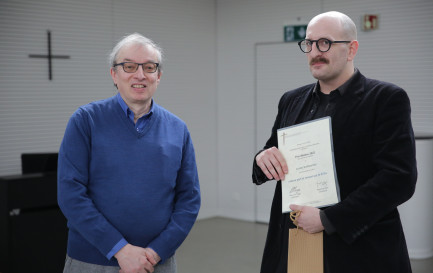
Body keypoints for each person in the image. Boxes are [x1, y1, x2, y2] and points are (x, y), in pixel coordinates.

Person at [252, 11, 417, 273]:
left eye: (325, 43)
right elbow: (273, 152)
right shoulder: (291, 100)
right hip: (297, 239)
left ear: (351, 49)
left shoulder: (385, 99)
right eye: (309, 43)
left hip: (358, 247)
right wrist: (262, 157)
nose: (315, 51)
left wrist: (328, 219)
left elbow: (399, 178)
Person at [58, 33, 201, 273]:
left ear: (159, 75)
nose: (140, 75)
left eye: (149, 67)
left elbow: (189, 200)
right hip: (93, 262)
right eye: (129, 66)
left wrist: (154, 253)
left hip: (157, 263)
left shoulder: (178, 129)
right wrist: (120, 250)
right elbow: (70, 194)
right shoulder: (86, 121)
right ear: (114, 74)